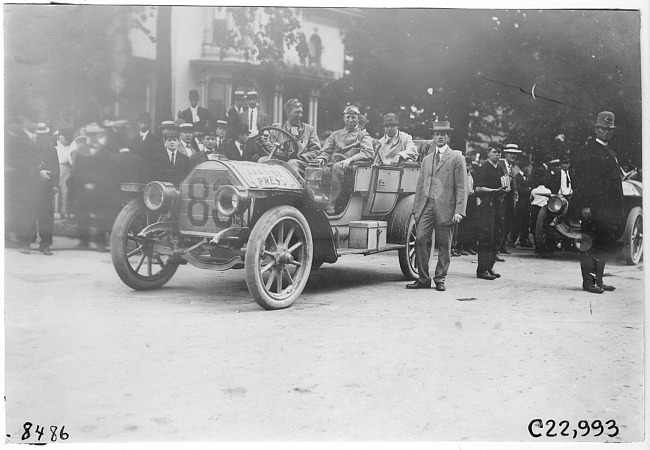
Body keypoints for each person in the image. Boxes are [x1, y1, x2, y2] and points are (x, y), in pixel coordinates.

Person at [406, 120, 466, 291]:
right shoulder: (426, 159)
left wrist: (459, 211)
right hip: (426, 206)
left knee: (444, 244)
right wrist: (417, 209)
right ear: (433, 137)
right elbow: (419, 186)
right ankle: (423, 278)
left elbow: (462, 187)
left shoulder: (456, 158)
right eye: (437, 134)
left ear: (448, 137)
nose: (439, 137)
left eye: (443, 135)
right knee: (420, 239)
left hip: (446, 207)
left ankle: (440, 278)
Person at [572, 111, 625, 294]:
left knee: (603, 245)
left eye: (610, 129)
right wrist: (585, 204)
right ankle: (589, 282)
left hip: (607, 210)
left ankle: (599, 280)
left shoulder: (611, 152)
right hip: (592, 208)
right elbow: (580, 180)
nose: (607, 132)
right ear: (596, 130)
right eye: (603, 128)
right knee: (589, 244)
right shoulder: (587, 151)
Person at [312, 105, 375, 215]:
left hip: (350, 168)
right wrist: (321, 158)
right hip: (332, 164)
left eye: (353, 117)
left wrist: (349, 160)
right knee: (313, 167)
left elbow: (368, 153)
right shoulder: (335, 134)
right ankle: (313, 202)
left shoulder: (363, 135)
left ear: (358, 118)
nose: (350, 120)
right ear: (344, 118)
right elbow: (326, 151)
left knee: (337, 167)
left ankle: (331, 204)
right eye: (348, 117)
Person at [69, 123, 120, 252]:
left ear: (99, 135)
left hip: (101, 188)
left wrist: (99, 183)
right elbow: (77, 171)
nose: (93, 137)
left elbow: (109, 170)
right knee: (81, 214)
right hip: (84, 188)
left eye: (95, 134)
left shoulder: (105, 150)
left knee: (102, 216)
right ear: (87, 135)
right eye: (90, 135)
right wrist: (85, 183)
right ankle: (84, 241)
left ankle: (101, 243)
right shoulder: (80, 150)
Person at [5, 112, 43, 254]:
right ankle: (15, 240)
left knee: (25, 212)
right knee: (15, 211)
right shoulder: (13, 137)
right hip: (14, 180)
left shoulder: (27, 137)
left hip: (26, 179)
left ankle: (23, 242)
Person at [258, 98, 320, 176]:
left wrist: (301, 157)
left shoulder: (309, 130)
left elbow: (316, 150)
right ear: (288, 113)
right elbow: (270, 146)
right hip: (279, 159)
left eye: (301, 112)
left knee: (292, 163)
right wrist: (278, 151)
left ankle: (293, 187)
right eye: (297, 112)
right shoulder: (276, 129)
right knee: (262, 160)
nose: (300, 115)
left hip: (300, 163)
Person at [473, 145, 509, 280]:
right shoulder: (483, 169)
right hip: (486, 207)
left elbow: (503, 186)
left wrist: (504, 190)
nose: (497, 155)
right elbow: (478, 188)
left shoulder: (500, 169)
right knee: (486, 238)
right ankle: (481, 270)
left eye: (499, 153)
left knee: (497, 237)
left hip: (498, 206)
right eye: (494, 152)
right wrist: (495, 191)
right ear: (488, 154)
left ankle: (489, 266)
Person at [32, 123, 60, 255]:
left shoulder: (51, 149)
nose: (42, 137)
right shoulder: (31, 148)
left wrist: (55, 184)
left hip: (47, 187)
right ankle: (25, 242)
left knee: (47, 216)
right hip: (32, 186)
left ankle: (45, 244)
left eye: (44, 134)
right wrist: (38, 172)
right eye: (40, 134)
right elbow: (27, 165)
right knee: (30, 214)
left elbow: (56, 168)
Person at [497, 143, 520, 252]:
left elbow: (513, 182)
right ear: (506, 154)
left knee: (507, 221)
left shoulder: (512, 166)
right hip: (501, 196)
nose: (513, 156)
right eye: (511, 153)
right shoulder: (500, 163)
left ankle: (502, 245)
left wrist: (515, 195)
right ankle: (497, 246)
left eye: (515, 154)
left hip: (509, 197)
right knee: (500, 221)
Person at [54, 127, 74, 219]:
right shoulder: (57, 146)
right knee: (57, 188)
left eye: (62, 138)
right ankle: (55, 210)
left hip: (67, 168)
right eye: (60, 138)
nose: (60, 139)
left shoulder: (70, 146)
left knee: (65, 190)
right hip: (59, 167)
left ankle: (64, 211)